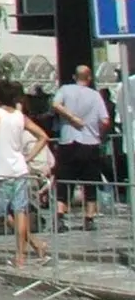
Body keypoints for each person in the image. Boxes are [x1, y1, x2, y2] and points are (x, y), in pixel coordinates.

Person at [0, 78, 52, 268]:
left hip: (2, 171)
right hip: (20, 169)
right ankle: (22, 255)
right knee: (20, 212)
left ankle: (31, 247)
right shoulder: (20, 116)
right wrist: (28, 157)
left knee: (4, 215)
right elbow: (43, 136)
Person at [50, 65, 109, 230]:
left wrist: (70, 117)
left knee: (64, 180)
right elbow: (105, 120)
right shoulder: (95, 96)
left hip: (68, 142)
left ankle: (60, 217)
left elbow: (55, 104)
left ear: (74, 77)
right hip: (90, 143)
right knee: (90, 181)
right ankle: (89, 218)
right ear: (89, 78)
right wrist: (101, 135)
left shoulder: (65, 89)